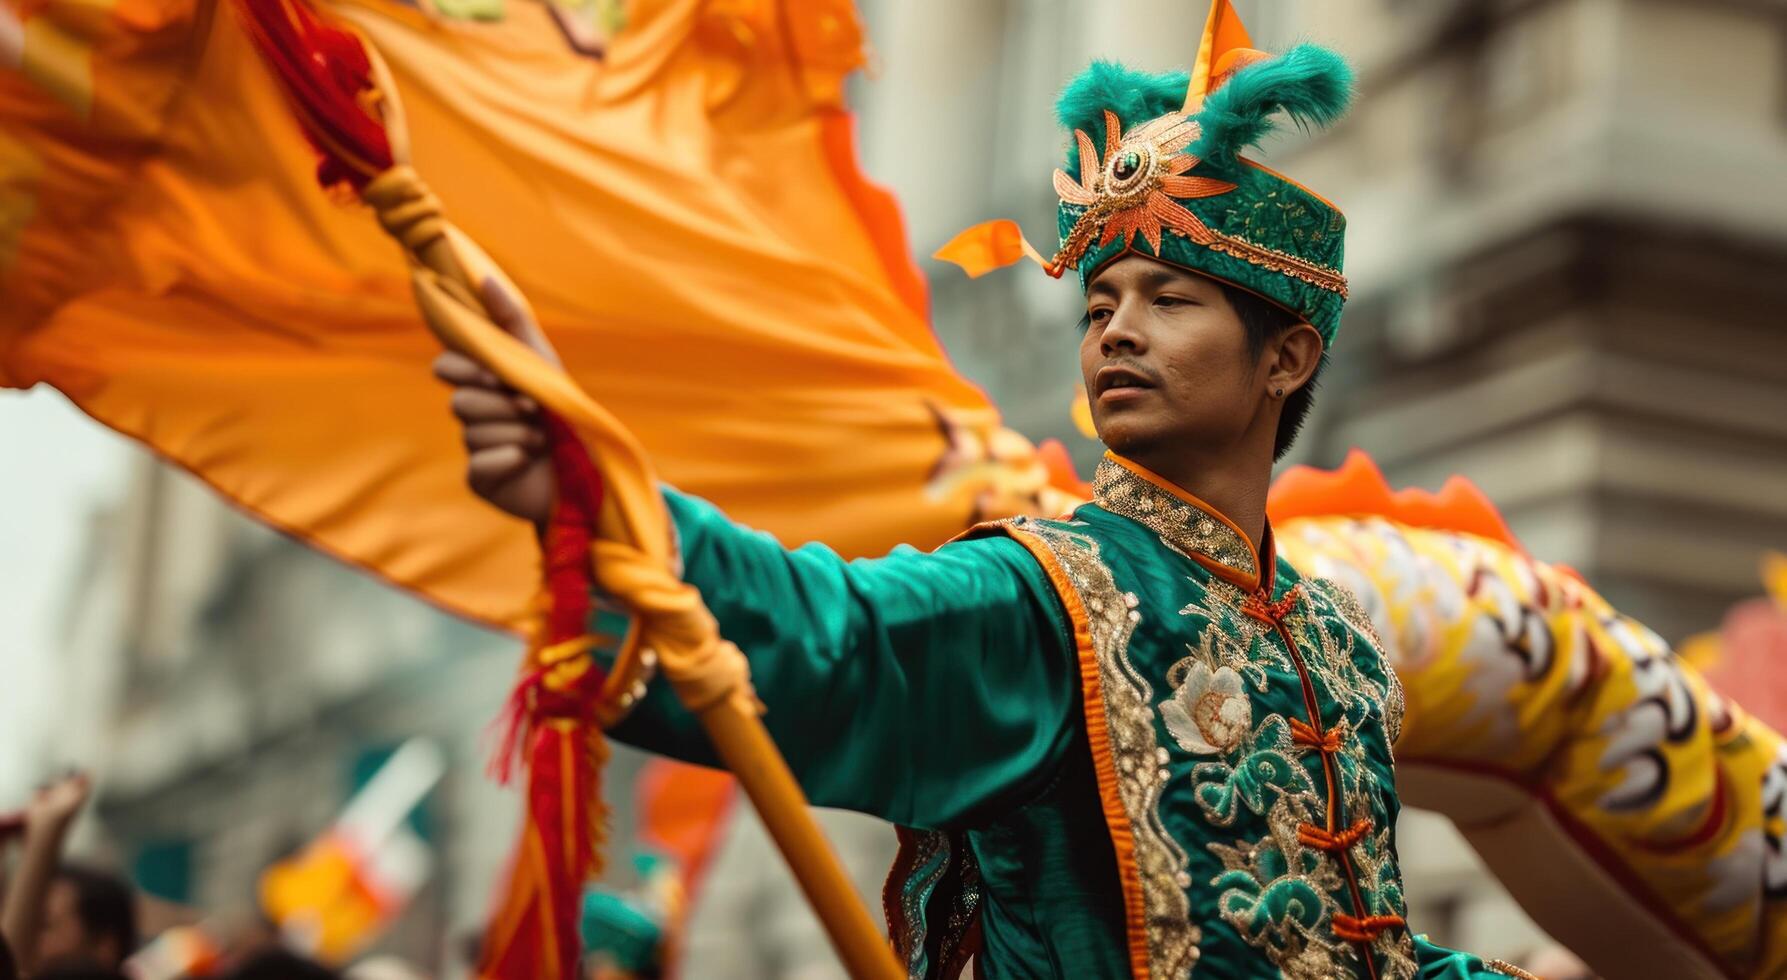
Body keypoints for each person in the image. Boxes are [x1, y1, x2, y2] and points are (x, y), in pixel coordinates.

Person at [435, 25, 1534, 980]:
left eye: (1168, 296)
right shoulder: (1049, 594)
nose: (1116, 328)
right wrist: (600, 491)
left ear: (1284, 356)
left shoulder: (1340, 653)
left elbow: (1358, 953)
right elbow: (840, 632)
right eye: (1099, 302)